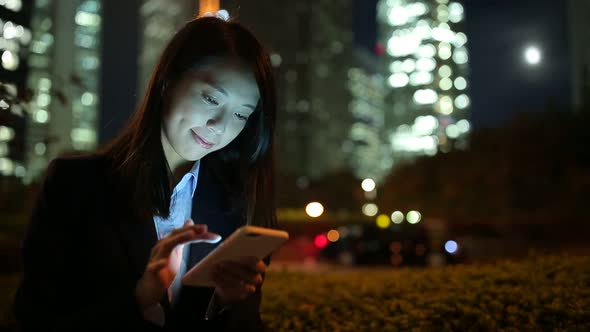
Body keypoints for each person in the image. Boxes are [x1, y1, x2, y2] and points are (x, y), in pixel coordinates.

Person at [14, 13, 278, 331]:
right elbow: (32, 321)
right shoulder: (77, 185)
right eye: (211, 98)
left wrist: (226, 302)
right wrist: (138, 299)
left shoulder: (234, 204)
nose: (219, 126)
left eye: (240, 114)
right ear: (168, 79)